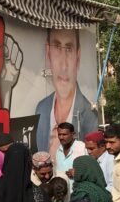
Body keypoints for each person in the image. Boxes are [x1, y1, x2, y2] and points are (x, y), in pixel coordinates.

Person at [35, 28, 99, 157]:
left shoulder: (89, 114)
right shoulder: (41, 108)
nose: (63, 66)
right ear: (48, 53)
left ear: (78, 57)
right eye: (57, 47)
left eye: (69, 49)